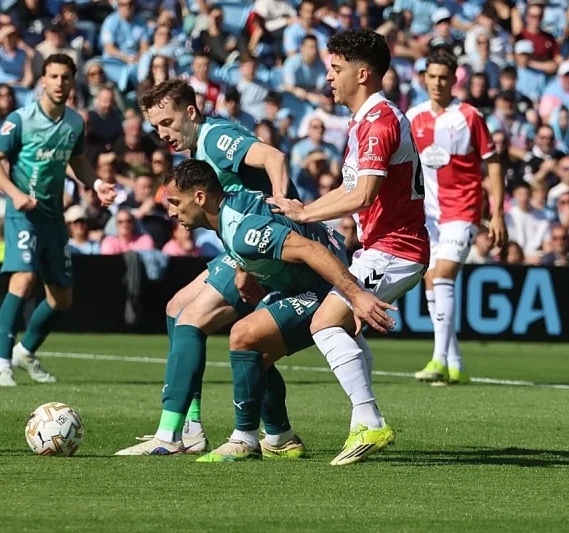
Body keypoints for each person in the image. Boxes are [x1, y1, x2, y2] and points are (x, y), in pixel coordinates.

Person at [158, 159, 395, 462]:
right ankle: (280, 437)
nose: (172, 210)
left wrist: (356, 297)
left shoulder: (242, 230)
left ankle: (244, 438)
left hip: (326, 283)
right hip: (306, 280)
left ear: (200, 198)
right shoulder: (232, 205)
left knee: (243, 336)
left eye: (176, 202)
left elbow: (311, 250)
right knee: (257, 357)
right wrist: (244, 270)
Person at [267, 30, 429, 465]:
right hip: (382, 246)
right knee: (346, 326)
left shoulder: (380, 123)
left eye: (336, 69)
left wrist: (303, 216)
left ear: (363, 73)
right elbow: (349, 187)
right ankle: (366, 421)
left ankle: (370, 422)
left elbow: (362, 196)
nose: (328, 77)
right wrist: (305, 209)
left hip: (398, 247)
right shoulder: (366, 121)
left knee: (325, 323)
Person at [116, 79, 294, 456]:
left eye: (167, 122)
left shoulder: (215, 137)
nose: (162, 133)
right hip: (242, 249)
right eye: (156, 128)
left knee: (192, 319)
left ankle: (168, 437)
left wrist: (280, 206)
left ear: (191, 112)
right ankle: (259, 431)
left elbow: (275, 157)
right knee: (176, 308)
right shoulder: (199, 146)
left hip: (262, 247)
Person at [0, 53, 116, 387]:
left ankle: (25, 352)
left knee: (61, 299)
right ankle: (2, 364)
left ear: (72, 82)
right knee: (23, 280)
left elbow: (77, 160)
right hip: (23, 214)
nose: (59, 83)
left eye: (65, 77)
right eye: (53, 77)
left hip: (55, 217)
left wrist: (96, 183)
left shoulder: (74, 122)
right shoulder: (21, 119)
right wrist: (13, 193)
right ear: (42, 80)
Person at [406, 49, 508, 385]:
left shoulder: (469, 116)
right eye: (432, 76)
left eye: (443, 77)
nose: (437, 82)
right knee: (430, 278)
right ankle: (455, 363)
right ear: (425, 78)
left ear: (454, 80)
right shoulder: (413, 116)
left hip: (463, 209)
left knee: (443, 274)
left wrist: (496, 213)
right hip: (428, 215)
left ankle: (437, 359)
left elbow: (493, 163)